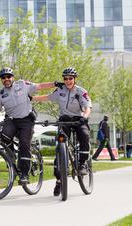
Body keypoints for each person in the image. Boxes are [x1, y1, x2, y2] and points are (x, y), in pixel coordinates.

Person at [0, 67, 61, 185]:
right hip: (12, 120)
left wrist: (54, 84)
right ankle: (12, 162)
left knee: (24, 144)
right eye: (3, 78)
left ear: (13, 77)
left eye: (8, 77)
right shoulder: (0, 94)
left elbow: (39, 86)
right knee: (4, 137)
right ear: (1, 80)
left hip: (26, 120)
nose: (6, 79)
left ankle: (24, 174)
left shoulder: (23, 84)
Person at [32, 67, 92, 196]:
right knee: (60, 147)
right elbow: (47, 97)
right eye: (65, 78)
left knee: (84, 135)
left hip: (78, 119)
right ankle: (59, 180)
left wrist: (84, 118)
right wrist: (32, 98)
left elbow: (87, 108)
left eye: (70, 78)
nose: (68, 80)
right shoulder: (60, 90)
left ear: (75, 79)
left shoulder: (81, 91)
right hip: (64, 120)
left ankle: (82, 164)